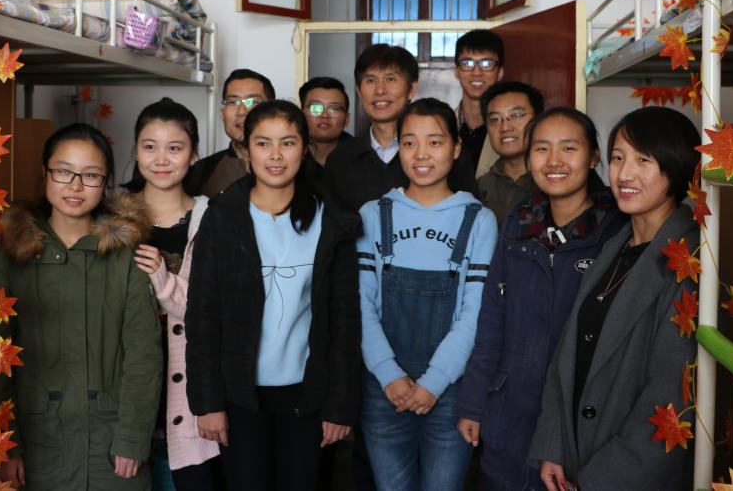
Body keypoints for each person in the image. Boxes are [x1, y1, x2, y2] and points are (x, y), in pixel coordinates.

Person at [185, 100, 361, 491]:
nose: (276, 155)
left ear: (305, 148)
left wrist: (340, 404)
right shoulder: (223, 217)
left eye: (288, 142)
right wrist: (208, 403)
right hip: (239, 395)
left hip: (308, 395)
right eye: (263, 143)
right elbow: (202, 316)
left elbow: (345, 319)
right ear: (247, 150)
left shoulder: (331, 220)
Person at [529, 106, 701, 491]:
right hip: (576, 455)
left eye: (644, 160)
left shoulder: (686, 263)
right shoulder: (614, 247)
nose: (624, 174)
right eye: (619, 158)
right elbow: (569, 354)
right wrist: (553, 445)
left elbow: (670, 396)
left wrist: (600, 480)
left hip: (624, 474)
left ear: (675, 168)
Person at [456, 107, 626, 490]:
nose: (554, 161)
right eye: (542, 148)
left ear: (593, 157)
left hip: (577, 421)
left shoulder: (616, 230)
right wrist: (472, 402)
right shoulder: (520, 221)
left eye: (569, 148)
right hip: (510, 409)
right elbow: (492, 319)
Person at [0, 123, 161, 490]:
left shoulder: (125, 254)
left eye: (91, 175)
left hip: (111, 444)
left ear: (106, 182)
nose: (76, 186)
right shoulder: (10, 255)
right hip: (37, 443)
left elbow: (143, 354)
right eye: (64, 171)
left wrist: (132, 437)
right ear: (45, 173)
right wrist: (6, 442)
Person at [357, 97, 498, 491]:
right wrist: (389, 374)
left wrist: (435, 381)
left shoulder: (479, 219)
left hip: (452, 387)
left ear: (456, 147)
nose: (421, 154)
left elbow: (476, 312)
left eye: (435, 142)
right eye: (409, 142)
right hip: (383, 386)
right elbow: (361, 303)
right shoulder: (374, 214)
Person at [122, 99, 223, 490]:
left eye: (175, 147)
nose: (161, 159)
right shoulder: (112, 218)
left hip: (193, 395)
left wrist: (163, 278)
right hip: (127, 391)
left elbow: (217, 309)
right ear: (136, 151)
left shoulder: (215, 219)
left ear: (194, 154)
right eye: (150, 147)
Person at [324, 44, 475, 214]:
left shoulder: (447, 155)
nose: (380, 90)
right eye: (371, 80)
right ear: (359, 91)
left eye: (390, 79)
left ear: (412, 89)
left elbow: (469, 215)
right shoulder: (340, 160)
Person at [185, 68, 275, 198]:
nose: (242, 111)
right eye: (233, 102)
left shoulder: (291, 167)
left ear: (273, 111)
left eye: (252, 102)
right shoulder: (201, 172)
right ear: (223, 114)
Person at [476, 82, 545, 225]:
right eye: (495, 119)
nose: (505, 127)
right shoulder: (479, 189)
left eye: (516, 115)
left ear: (539, 120)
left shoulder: (556, 181)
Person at [453, 30, 505, 178]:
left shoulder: (511, 130)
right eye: (467, 63)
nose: (477, 72)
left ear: (500, 72)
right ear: (456, 71)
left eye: (486, 63)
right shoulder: (441, 124)